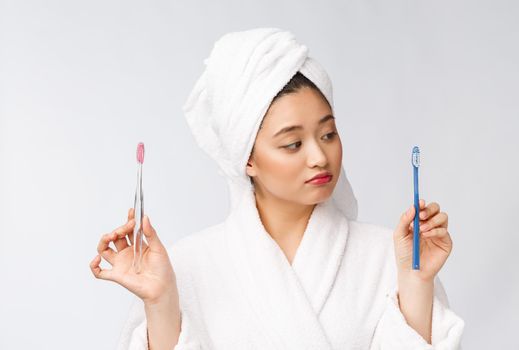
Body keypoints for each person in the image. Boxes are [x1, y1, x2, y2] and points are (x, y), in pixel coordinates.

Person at [90, 28, 465, 350]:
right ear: (247, 159)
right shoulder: (187, 265)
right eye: (292, 144)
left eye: (328, 134)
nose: (320, 156)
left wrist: (416, 283)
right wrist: (160, 301)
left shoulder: (389, 256)